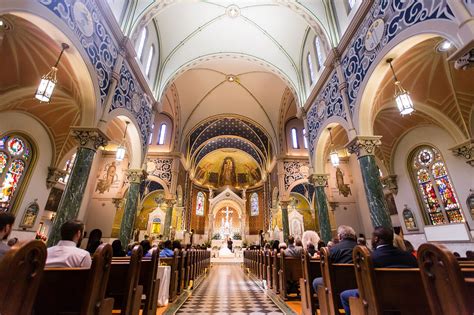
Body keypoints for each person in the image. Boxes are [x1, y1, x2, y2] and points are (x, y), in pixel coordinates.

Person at [340, 227, 418, 315]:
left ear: (376, 238)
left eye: (372, 237)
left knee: (344, 295)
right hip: (409, 296)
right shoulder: (409, 256)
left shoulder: (370, 258)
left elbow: (364, 282)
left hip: (379, 298)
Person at [312, 225, 357, 292]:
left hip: (340, 282)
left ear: (340, 236)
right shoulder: (363, 248)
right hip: (359, 282)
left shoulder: (335, 249)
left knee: (316, 282)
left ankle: (327, 301)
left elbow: (325, 266)